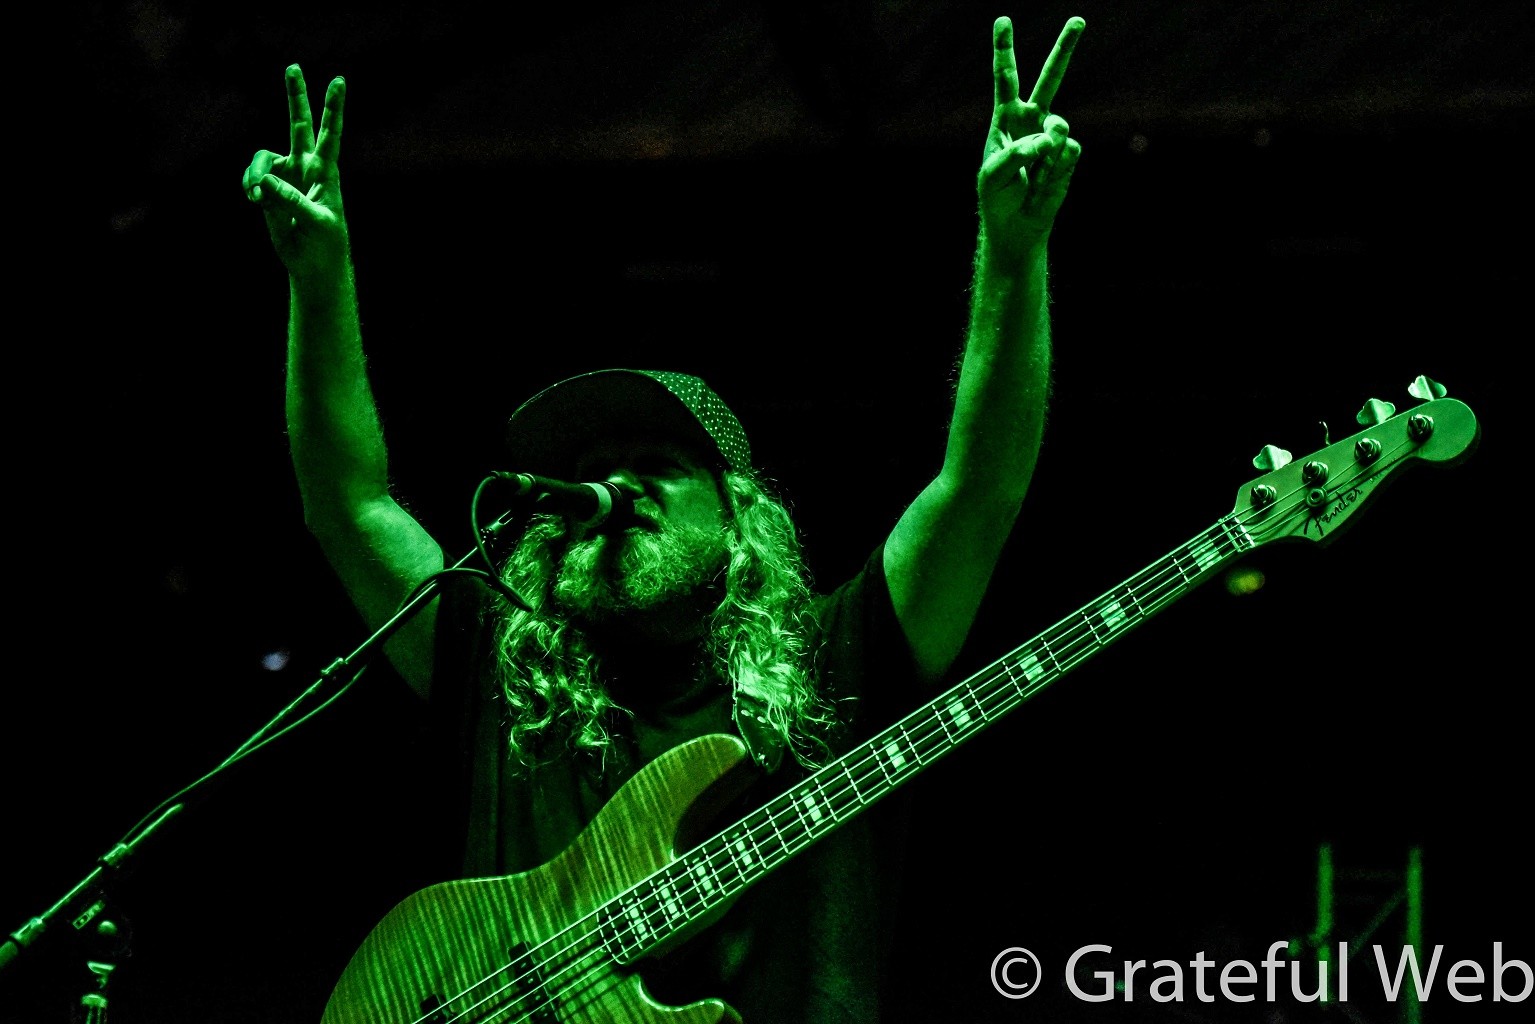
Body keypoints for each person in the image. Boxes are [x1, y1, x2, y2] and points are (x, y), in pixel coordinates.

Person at [244, 12, 1084, 1023]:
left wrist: (1013, 251)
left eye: (654, 466)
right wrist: (319, 280)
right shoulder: (501, 675)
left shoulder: (835, 663)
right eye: (587, 473)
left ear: (738, 519)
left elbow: (977, 490)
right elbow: (349, 503)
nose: (612, 488)